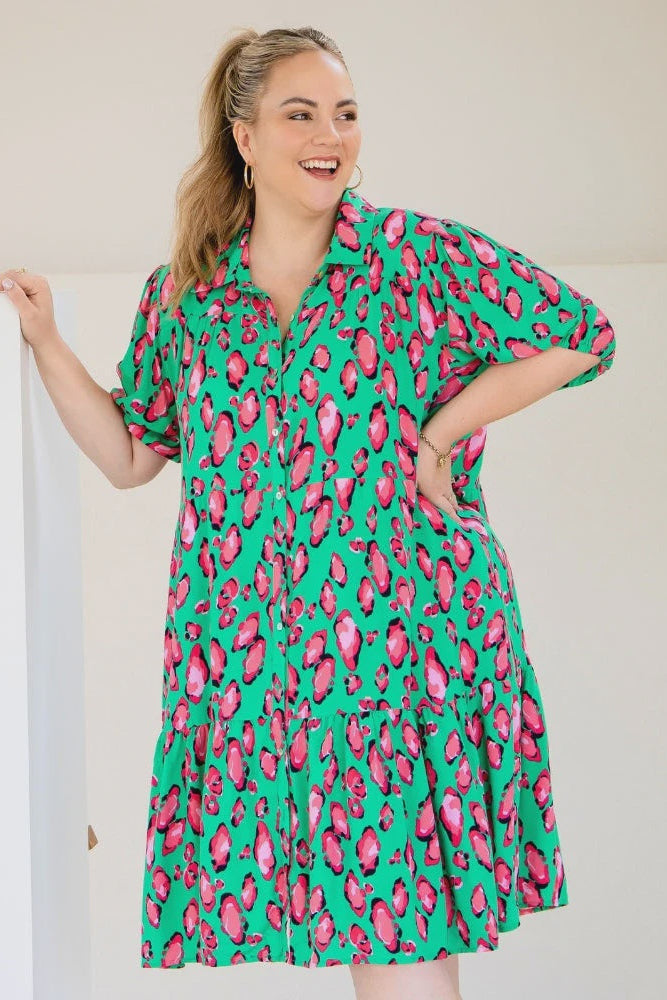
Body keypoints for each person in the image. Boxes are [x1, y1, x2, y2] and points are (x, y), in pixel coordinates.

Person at [1, 24, 616, 1000]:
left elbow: (580, 335)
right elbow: (128, 454)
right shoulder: (188, 300)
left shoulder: (416, 257)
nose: (331, 133)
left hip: (409, 642)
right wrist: (44, 345)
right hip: (260, 661)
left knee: (399, 931)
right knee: (373, 931)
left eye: (345, 112)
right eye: (300, 113)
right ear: (243, 137)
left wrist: (442, 429)